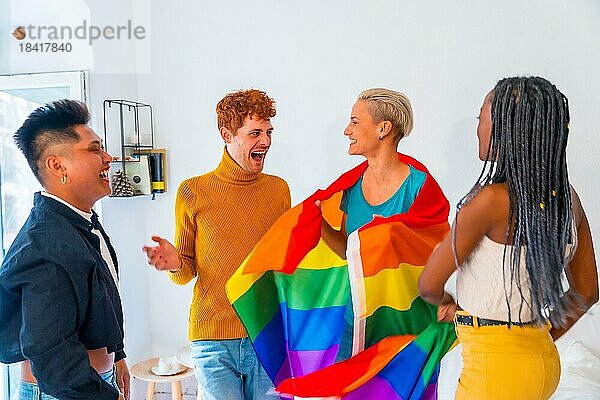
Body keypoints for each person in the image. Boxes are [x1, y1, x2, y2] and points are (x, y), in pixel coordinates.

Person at [419, 77, 599, 399]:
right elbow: (587, 290)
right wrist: (532, 341)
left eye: (480, 117)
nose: (477, 127)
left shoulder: (489, 202)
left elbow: (429, 285)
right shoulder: (568, 199)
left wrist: (451, 304)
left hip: (494, 371)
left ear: (503, 129)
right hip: (542, 358)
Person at [143, 89, 291, 400]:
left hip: (266, 333)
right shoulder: (193, 192)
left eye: (268, 132)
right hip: (212, 339)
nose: (265, 141)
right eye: (254, 132)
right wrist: (174, 263)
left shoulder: (278, 191)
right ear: (227, 134)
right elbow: (185, 272)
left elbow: (284, 261)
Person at [0, 100, 130, 400]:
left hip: (91, 382)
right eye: (95, 149)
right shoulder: (46, 245)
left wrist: (117, 354)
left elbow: (101, 299)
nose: (108, 158)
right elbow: (54, 361)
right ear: (58, 166)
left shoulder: (77, 224)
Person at [319, 88, 456, 360]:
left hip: (406, 323)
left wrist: (448, 298)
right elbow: (350, 250)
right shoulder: (352, 186)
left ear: (383, 128)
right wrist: (318, 224)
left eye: (355, 122)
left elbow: (440, 254)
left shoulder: (420, 187)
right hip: (357, 319)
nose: (348, 130)